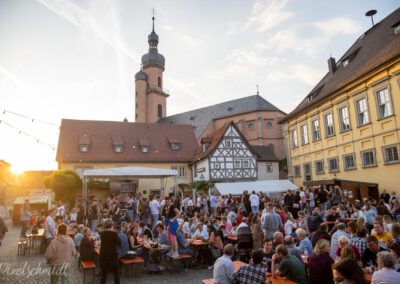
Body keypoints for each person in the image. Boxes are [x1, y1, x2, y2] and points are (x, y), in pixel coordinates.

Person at [99, 218, 121, 284]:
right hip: (112, 256)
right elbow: (119, 243)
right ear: (111, 225)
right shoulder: (114, 234)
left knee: (104, 275)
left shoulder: (102, 233)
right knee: (116, 274)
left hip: (103, 256)